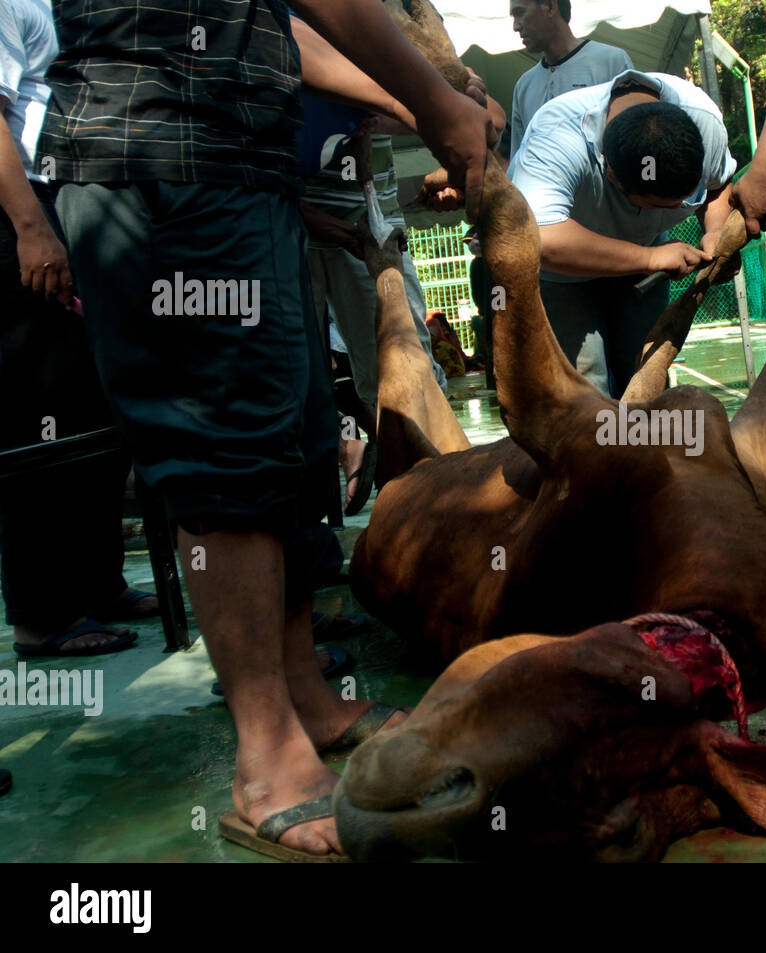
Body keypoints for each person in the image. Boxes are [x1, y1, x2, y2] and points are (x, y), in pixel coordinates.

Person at [38, 0, 494, 860]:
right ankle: (265, 760)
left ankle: (305, 698)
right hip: (165, 153)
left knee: (292, 434)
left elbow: (286, 27)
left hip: (245, 165)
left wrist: (405, 99)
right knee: (226, 450)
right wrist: (434, 101)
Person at [0, 0, 156, 659]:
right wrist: (30, 227)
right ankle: (43, 613)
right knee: (40, 414)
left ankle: (98, 584)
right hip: (20, 208)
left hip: (67, 200)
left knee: (93, 404)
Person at [506, 69, 737, 396]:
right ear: (612, 176)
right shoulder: (557, 137)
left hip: (642, 271)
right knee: (584, 393)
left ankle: (644, 445)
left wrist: (715, 230)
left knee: (645, 377)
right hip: (562, 273)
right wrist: (651, 257)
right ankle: (597, 445)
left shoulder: (702, 122)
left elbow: (718, 185)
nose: (671, 213)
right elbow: (541, 237)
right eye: (657, 205)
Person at [500, 0, 632, 159]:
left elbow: (633, 138)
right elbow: (519, 160)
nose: (515, 26)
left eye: (520, 13)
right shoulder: (524, 86)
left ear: (549, 6)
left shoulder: (611, 62)